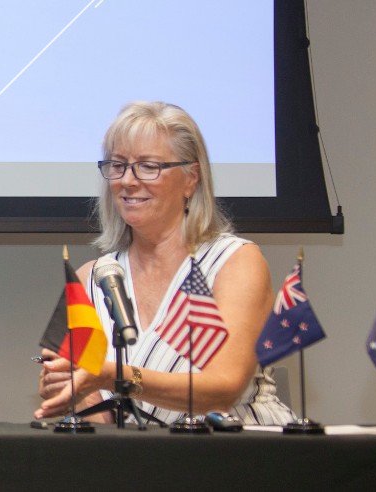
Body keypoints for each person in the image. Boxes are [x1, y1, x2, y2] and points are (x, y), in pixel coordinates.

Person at [35, 101, 295, 425]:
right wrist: (71, 391)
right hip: (142, 455)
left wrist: (115, 376)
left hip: (241, 448)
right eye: (118, 165)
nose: (128, 181)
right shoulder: (93, 278)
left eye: (148, 166)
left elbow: (224, 390)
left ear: (191, 178)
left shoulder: (235, 262)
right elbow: (101, 417)